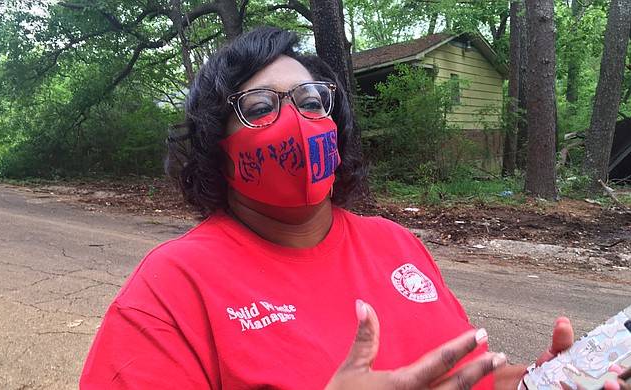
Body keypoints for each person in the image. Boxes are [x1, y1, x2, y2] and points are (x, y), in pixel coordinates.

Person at [79, 27, 627, 390]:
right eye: (261, 106)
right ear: (214, 147)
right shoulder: (171, 289)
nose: (295, 118)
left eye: (313, 101)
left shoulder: (395, 243)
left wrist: (550, 378)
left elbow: (468, 375)